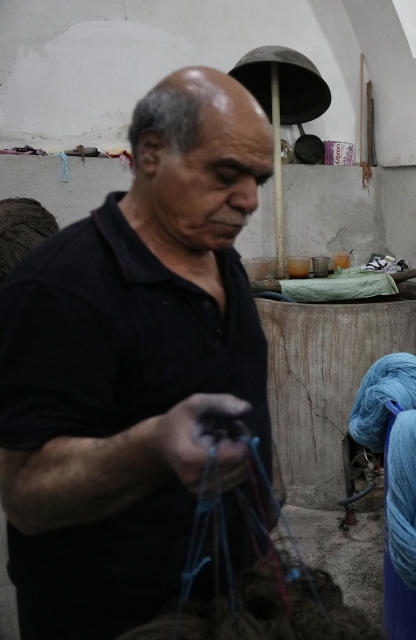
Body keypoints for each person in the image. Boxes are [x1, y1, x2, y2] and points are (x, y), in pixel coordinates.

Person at [0, 67, 276, 639]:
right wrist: (150, 447)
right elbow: (24, 495)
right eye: (227, 174)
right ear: (151, 152)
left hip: (229, 598)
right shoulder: (60, 289)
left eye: (258, 179)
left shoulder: (220, 259)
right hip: (110, 618)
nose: (248, 200)